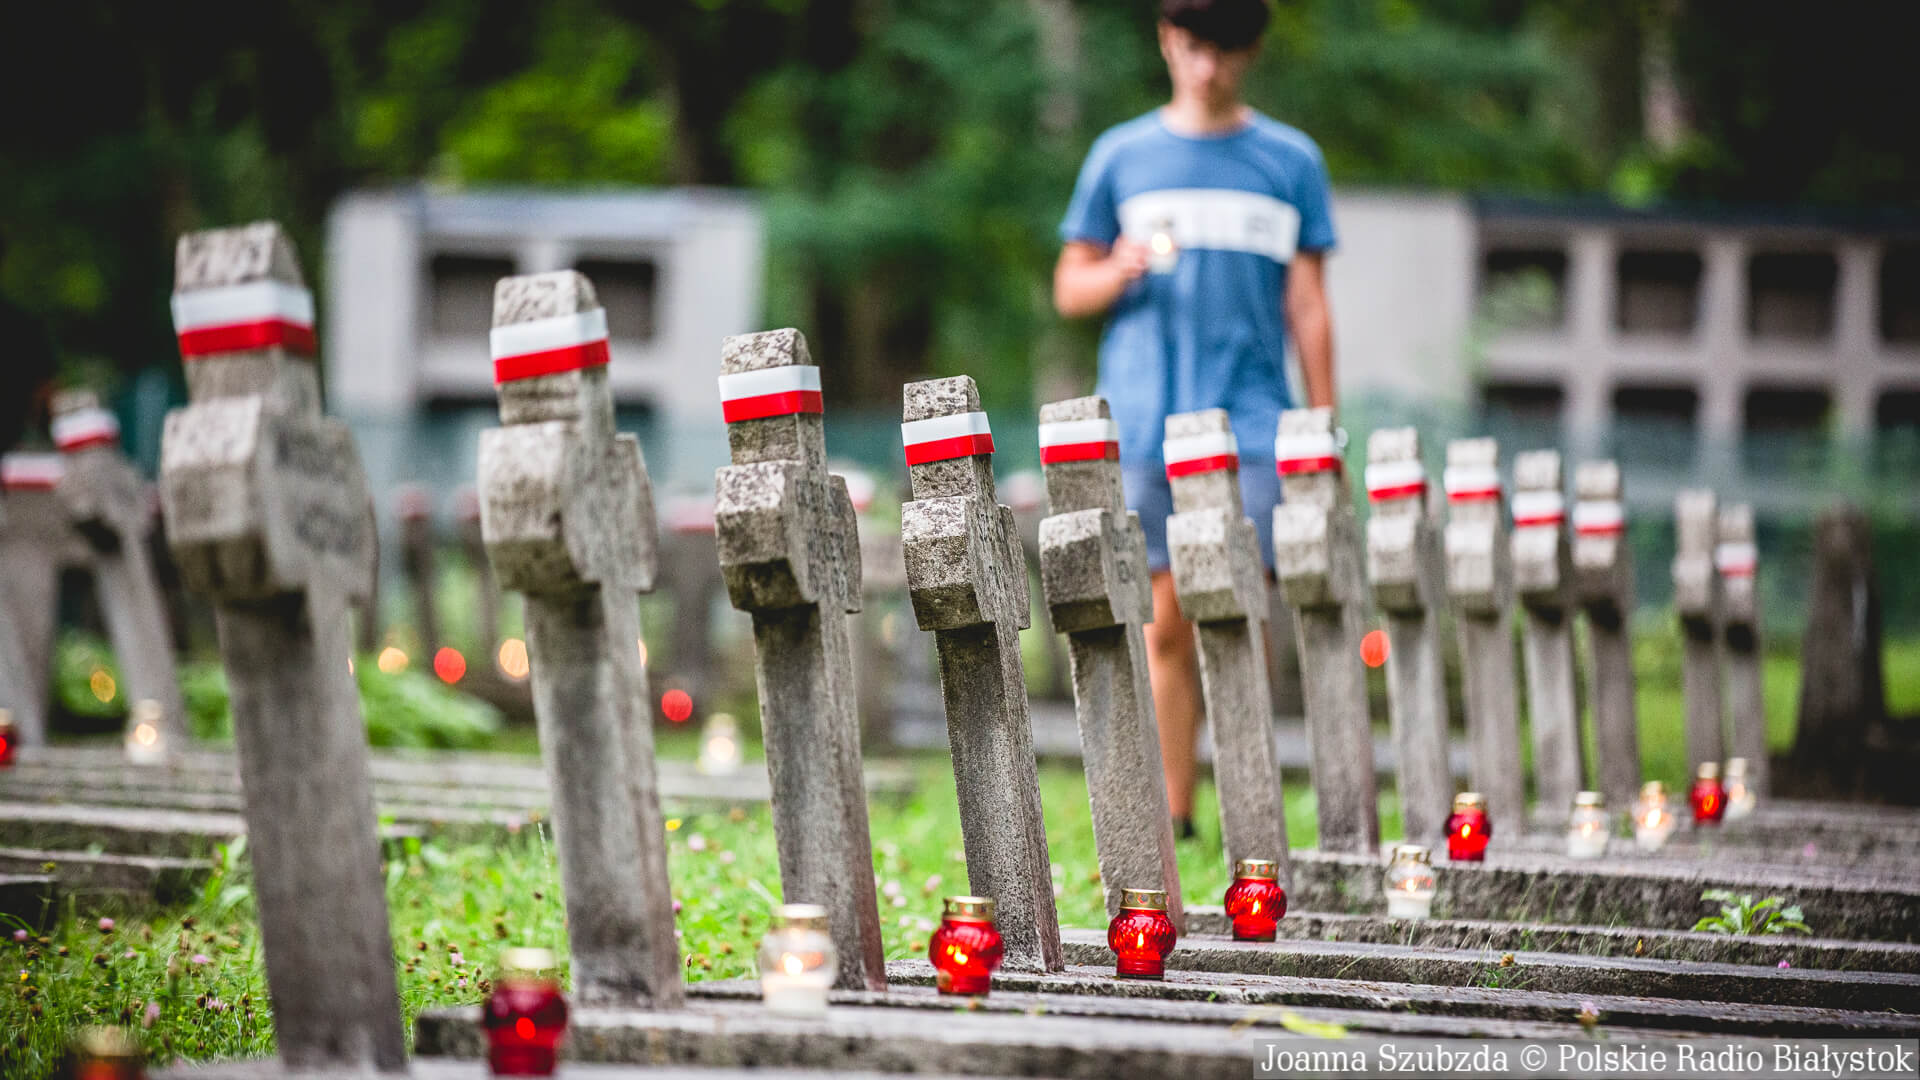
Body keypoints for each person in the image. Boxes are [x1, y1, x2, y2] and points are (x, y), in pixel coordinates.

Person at [1052, 0, 1337, 839]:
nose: (1207, 68)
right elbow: (1071, 287)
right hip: (1145, 421)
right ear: (1167, 42)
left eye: (1225, 51)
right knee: (1164, 625)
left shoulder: (1291, 161)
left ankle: (1253, 807)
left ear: (1249, 54)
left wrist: (1324, 430)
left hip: (1251, 424)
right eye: (1192, 47)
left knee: (1240, 615)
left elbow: (1310, 305)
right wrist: (1120, 268)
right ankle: (1175, 812)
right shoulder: (1121, 155)